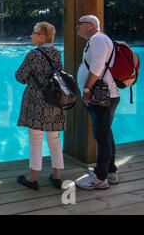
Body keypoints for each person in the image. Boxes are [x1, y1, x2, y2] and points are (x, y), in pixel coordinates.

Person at [15, 22, 66, 190]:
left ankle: (33, 178)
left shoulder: (33, 54)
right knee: (54, 138)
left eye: (34, 32)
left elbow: (20, 76)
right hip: (54, 101)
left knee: (36, 139)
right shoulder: (57, 53)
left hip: (36, 101)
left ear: (42, 37)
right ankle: (57, 177)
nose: (31, 35)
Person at [74, 15, 120, 190]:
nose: (77, 26)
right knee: (105, 134)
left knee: (102, 136)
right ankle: (110, 171)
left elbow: (97, 66)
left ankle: (100, 178)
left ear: (91, 26)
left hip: (101, 97)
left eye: (80, 23)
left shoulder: (98, 39)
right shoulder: (97, 40)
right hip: (104, 96)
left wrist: (87, 90)